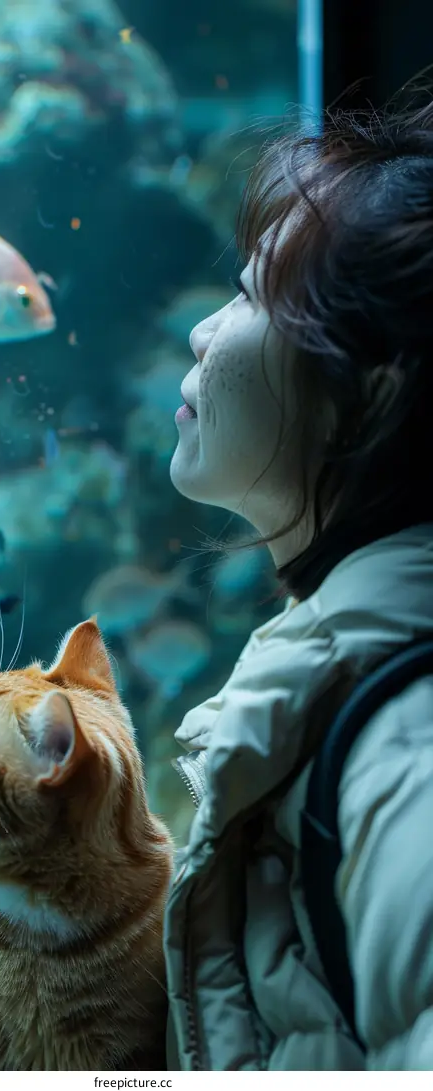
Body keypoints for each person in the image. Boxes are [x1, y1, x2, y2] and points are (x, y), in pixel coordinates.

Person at [164, 90, 433, 1071]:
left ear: (368, 391)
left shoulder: (407, 758)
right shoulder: (346, 693)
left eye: (247, 295)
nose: (202, 332)